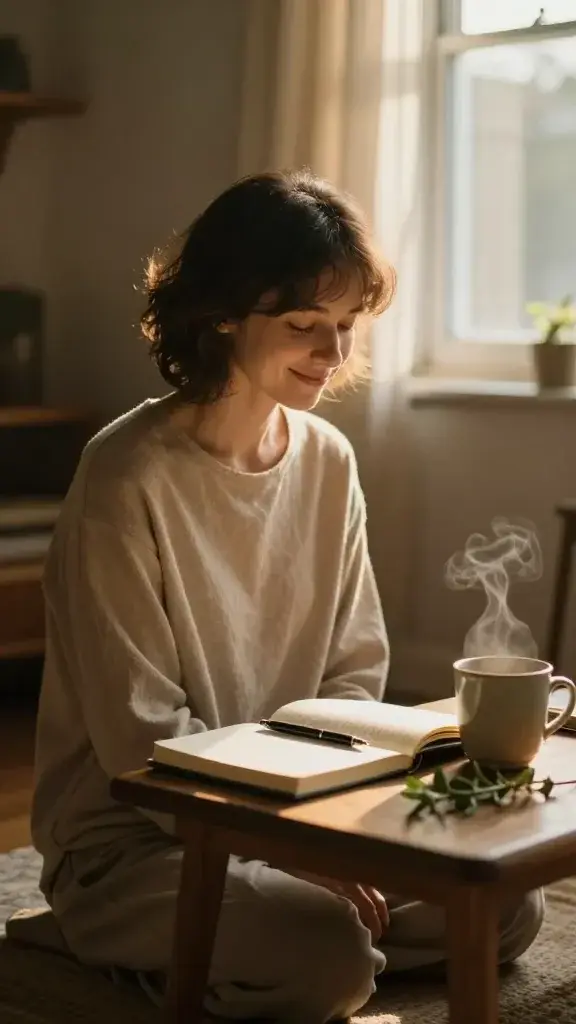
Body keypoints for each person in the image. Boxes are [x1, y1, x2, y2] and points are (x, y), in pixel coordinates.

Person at [31, 170, 544, 1023]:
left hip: (296, 814)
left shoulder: (328, 460)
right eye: (306, 325)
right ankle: (101, 935)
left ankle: (263, 944)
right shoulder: (124, 475)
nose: (333, 354)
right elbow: (141, 738)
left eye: (347, 326)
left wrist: (330, 841)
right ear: (221, 315)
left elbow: (353, 680)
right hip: (139, 839)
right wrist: (283, 860)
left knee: (506, 908)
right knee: (326, 953)